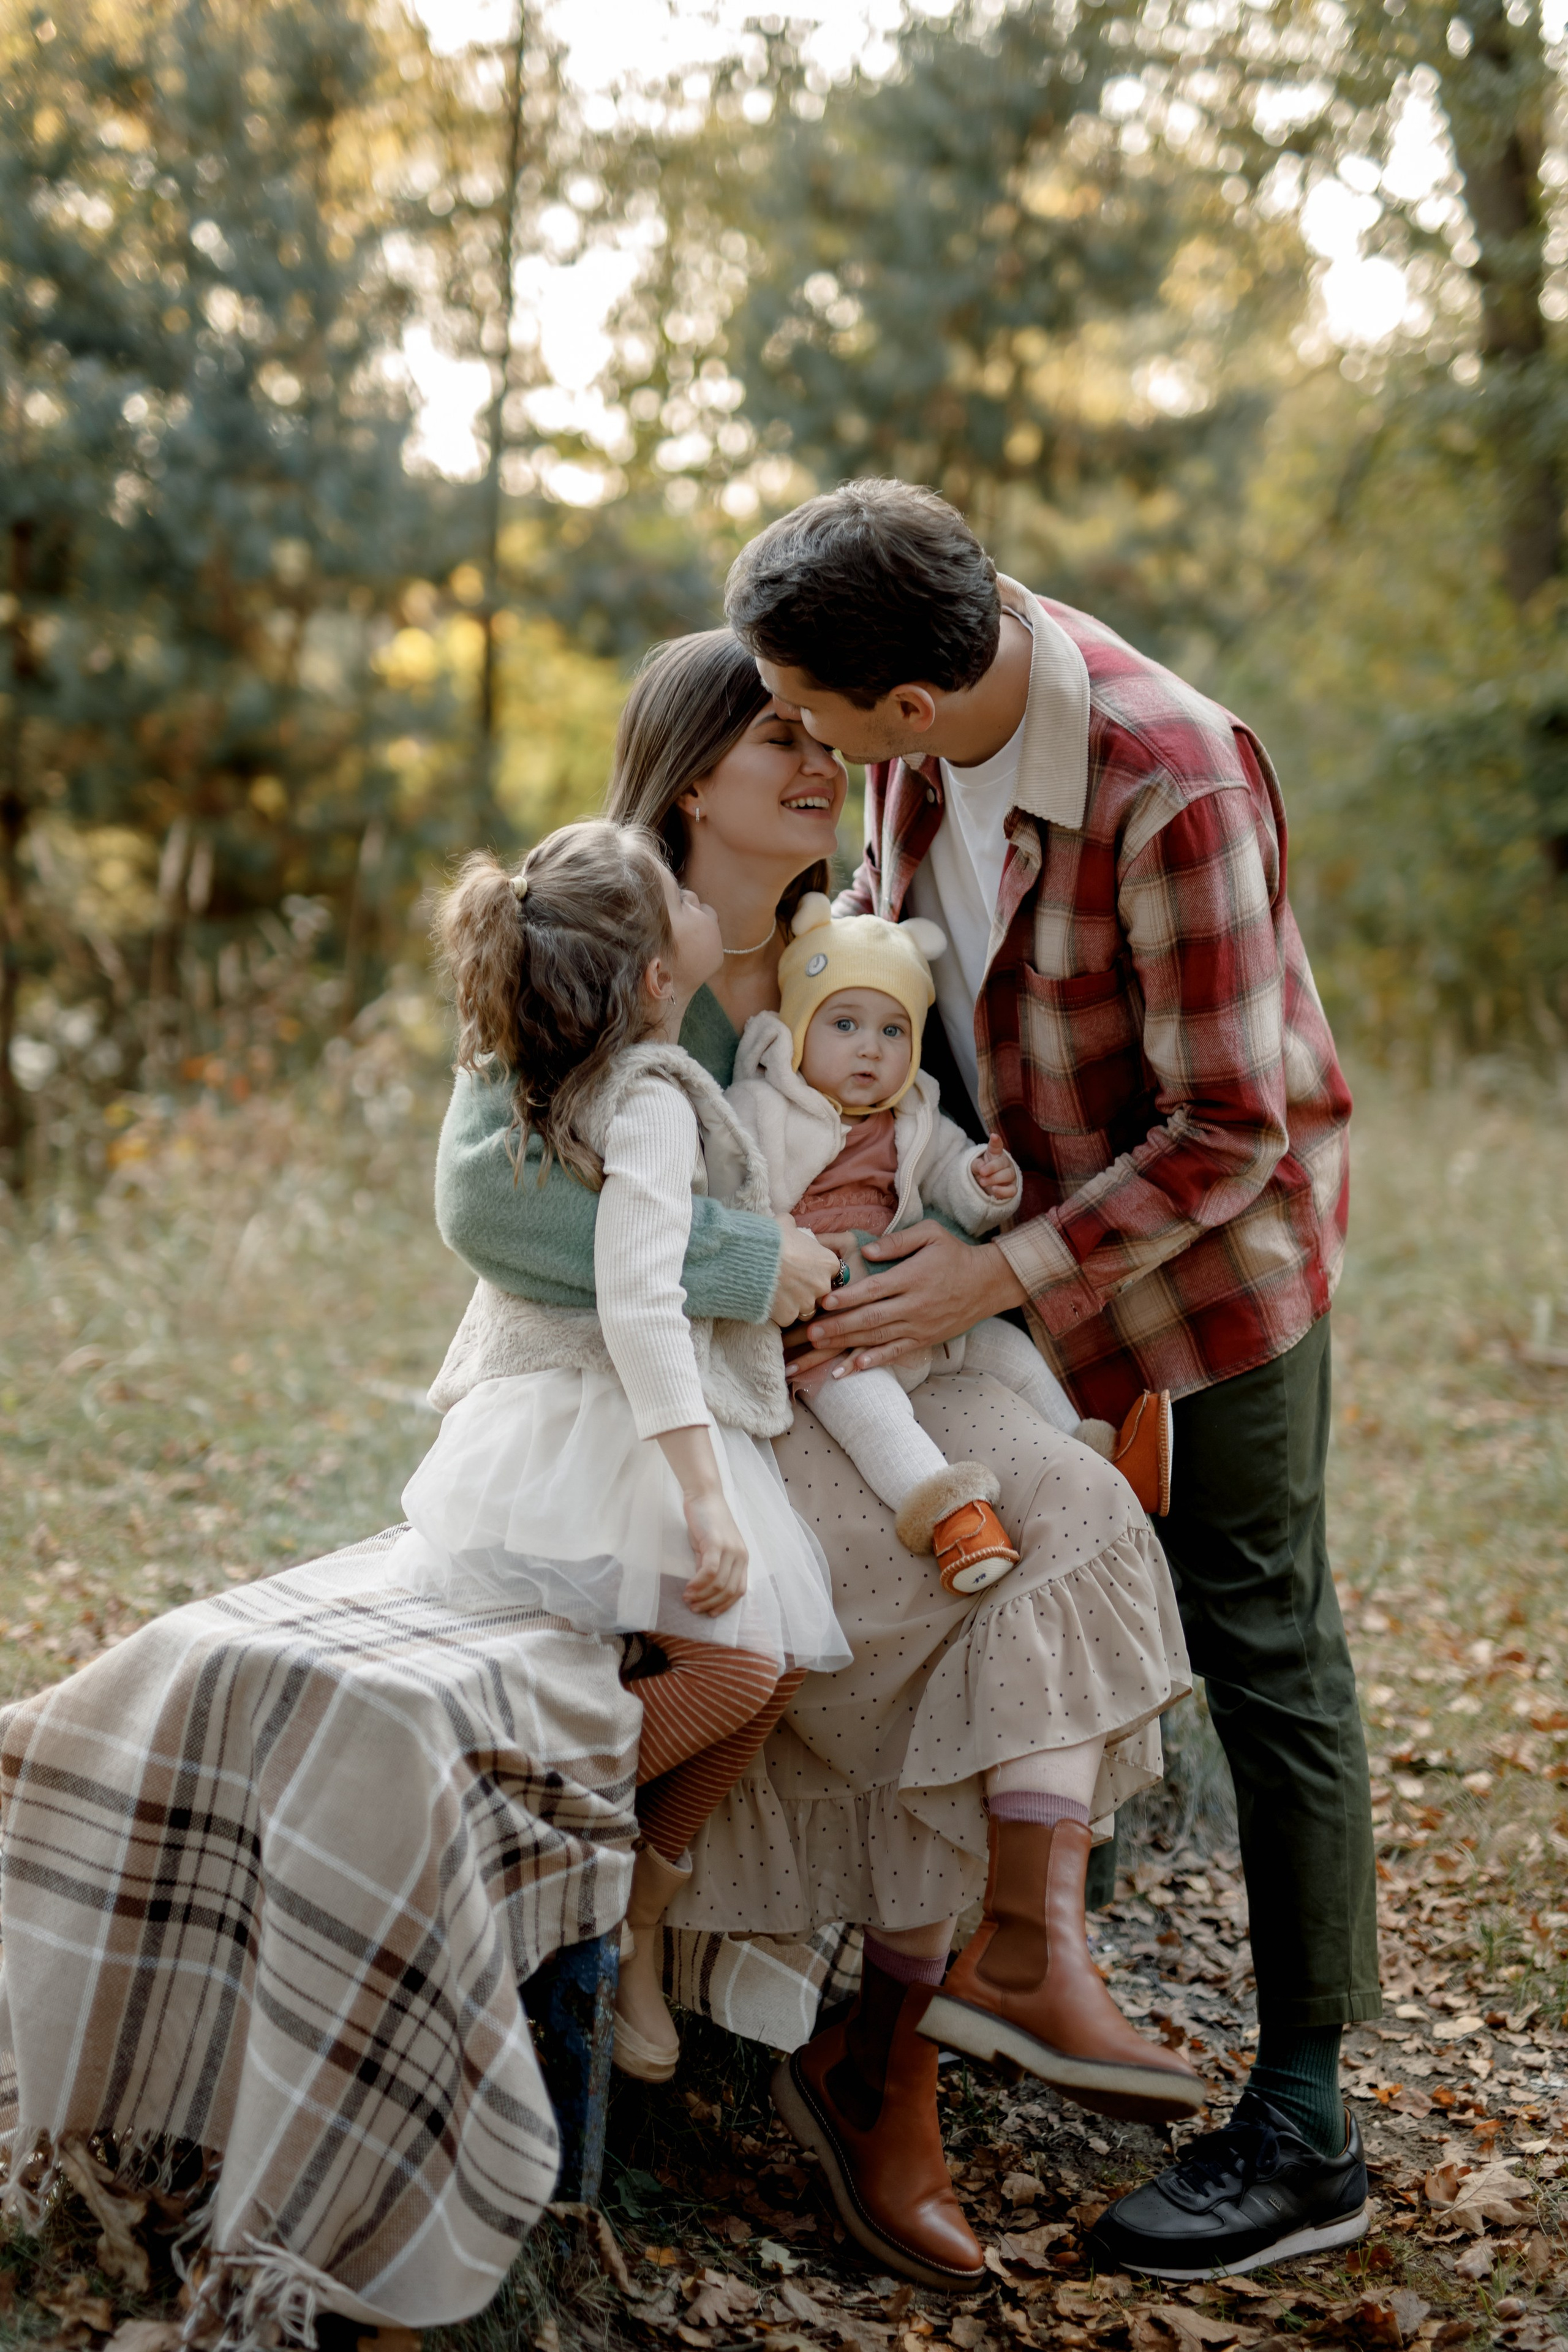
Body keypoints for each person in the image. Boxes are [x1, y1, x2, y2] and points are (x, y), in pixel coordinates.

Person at [434, 628, 1202, 2291]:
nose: (820, 762)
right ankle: (891, 2074)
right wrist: (750, 1270)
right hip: (675, 1404)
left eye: (823, 737)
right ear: (690, 762)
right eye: (778, 735)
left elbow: (945, 1154)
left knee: (1068, 1515)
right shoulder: (612, 921)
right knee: (937, 1609)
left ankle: (979, 1976)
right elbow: (486, 1200)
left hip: (883, 1364)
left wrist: (949, 1267)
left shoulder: (852, 940)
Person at [723, 478, 1374, 2280]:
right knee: (977, 1557)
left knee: (1260, 1626)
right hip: (987, 1239)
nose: (809, 744)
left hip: (1204, 1256)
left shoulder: (1171, 777)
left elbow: (1236, 1125)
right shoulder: (921, 726)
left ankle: (1308, 2118)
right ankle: (929, 2006)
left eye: (817, 721)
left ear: (912, 703)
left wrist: (999, 1262)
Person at [390, 820, 850, 2086]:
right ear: (657, 977)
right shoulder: (645, 1098)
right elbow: (639, 1298)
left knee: (761, 1674)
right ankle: (508, 1828)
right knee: (739, 1668)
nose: (702, 907)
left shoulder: (600, 1063)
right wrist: (705, 1498)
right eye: (678, 907)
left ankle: (637, 1904)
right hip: (605, 1428)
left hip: (622, 1416)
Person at [727, 889, 1170, 1593]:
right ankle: (952, 1520)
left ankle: (1099, 1460)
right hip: (830, 1333)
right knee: (871, 1413)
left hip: (921, 1310)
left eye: (893, 1030)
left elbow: (947, 1178)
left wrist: (980, 1182)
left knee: (1014, 1353)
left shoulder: (915, 1112)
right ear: (798, 1026)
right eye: (844, 1023)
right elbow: (730, 1192)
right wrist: (776, 1248)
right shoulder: (760, 1106)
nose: (870, 1048)